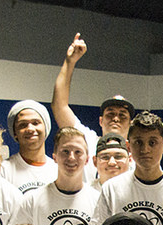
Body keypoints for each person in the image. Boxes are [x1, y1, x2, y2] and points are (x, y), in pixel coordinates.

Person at [52, 32, 135, 163]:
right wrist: (70, 62)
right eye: (110, 113)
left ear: (131, 124)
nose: (115, 118)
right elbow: (59, 106)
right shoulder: (87, 141)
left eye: (122, 115)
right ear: (101, 121)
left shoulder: (138, 155)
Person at [0, 100, 57, 194]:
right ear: (15, 133)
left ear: (45, 128)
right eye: (23, 125)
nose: (30, 129)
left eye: (35, 123)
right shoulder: (3, 171)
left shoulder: (57, 171)